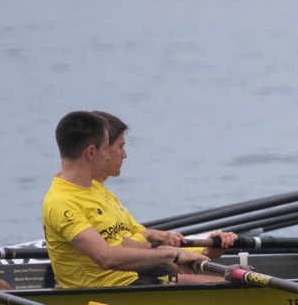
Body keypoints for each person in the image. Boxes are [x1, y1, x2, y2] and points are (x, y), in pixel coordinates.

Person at [42, 111, 214, 288]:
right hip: (103, 293)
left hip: (130, 279)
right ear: (91, 152)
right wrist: (173, 255)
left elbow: (123, 242)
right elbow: (106, 257)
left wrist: (177, 252)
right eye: (106, 149)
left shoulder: (92, 189)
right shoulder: (61, 202)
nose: (108, 156)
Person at [90, 111, 237, 284]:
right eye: (120, 147)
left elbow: (138, 240)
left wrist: (206, 249)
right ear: (102, 149)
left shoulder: (105, 195)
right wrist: (153, 236)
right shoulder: (86, 199)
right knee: (228, 283)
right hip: (120, 282)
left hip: (136, 274)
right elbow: (124, 245)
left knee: (224, 281)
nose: (125, 155)